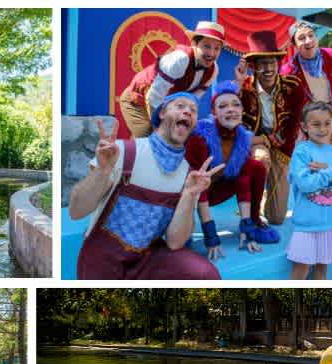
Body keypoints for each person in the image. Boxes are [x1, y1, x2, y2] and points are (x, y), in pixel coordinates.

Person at [70, 93, 223, 279]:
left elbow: (175, 242)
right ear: (162, 114)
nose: (188, 112)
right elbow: (76, 211)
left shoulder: (188, 175)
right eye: (180, 106)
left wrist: (189, 194)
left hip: (148, 260)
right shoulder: (123, 151)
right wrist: (102, 170)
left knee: (205, 274)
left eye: (193, 110)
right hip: (101, 260)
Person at [185, 80, 277, 260]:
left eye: (236, 105)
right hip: (192, 194)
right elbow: (197, 185)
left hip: (219, 188)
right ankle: (182, 229)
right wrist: (210, 234)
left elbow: (243, 181)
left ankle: (255, 221)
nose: (231, 109)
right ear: (213, 112)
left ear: (242, 111)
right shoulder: (200, 138)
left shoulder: (242, 138)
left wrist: (247, 228)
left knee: (255, 166)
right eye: (223, 106)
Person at [235, 30, 308, 225]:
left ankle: (267, 197)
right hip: (256, 142)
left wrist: (282, 138)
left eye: (271, 63)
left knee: (276, 218)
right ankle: (252, 210)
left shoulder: (293, 86)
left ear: (278, 64)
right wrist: (238, 83)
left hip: (282, 144)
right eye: (262, 64)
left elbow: (295, 120)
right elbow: (227, 116)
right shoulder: (244, 87)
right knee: (261, 159)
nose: (268, 69)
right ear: (254, 67)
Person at [119, 21, 224, 138]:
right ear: (194, 43)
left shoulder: (213, 70)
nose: (211, 53)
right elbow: (154, 97)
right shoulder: (180, 59)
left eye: (217, 48)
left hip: (164, 105)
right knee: (150, 139)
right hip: (138, 100)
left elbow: (191, 101)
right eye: (206, 46)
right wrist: (161, 127)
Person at [287, 101, 332, 280]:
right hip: (307, 224)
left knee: (322, 269)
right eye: (316, 124)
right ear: (305, 126)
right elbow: (305, 184)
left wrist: (327, 169)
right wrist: (331, 172)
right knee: (300, 270)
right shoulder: (302, 151)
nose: (322, 129)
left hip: (331, 223)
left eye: (327, 123)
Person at [280, 21, 332, 104]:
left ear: (316, 37)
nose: (308, 41)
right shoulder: (288, 73)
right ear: (294, 45)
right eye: (301, 38)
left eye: (311, 35)